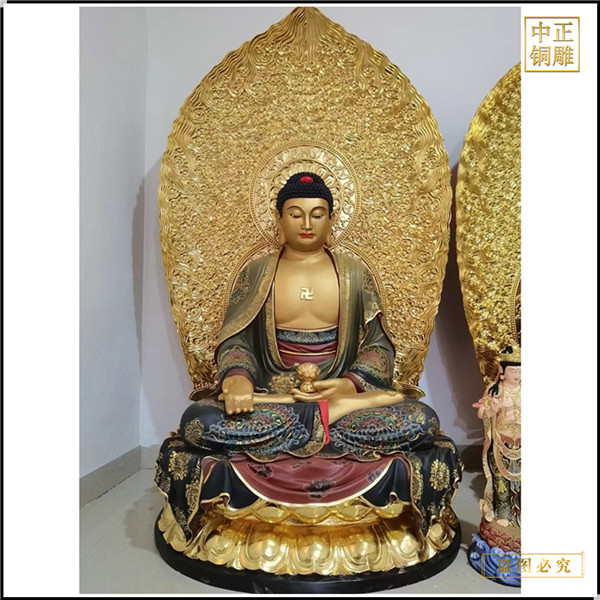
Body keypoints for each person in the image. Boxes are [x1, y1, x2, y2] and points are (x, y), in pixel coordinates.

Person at [178, 172, 440, 460]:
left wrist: (350, 384)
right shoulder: (257, 272)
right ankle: (325, 422)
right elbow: (235, 340)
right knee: (199, 422)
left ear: (331, 219)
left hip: (338, 392)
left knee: (421, 420)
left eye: (317, 215)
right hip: (275, 397)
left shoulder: (354, 274)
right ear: (279, 218)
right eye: (295, 215)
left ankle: (312, 423)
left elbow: (378, 346)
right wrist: (238, 378)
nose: (306, 224)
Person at [473, 346, 521, 528]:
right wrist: (492, 408)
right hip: (501, 443)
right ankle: (503, 513)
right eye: (513, 370)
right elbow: (482, 413)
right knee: (501, 479)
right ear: (502, 371)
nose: (517, 374)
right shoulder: (495, 390)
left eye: (520, 371)